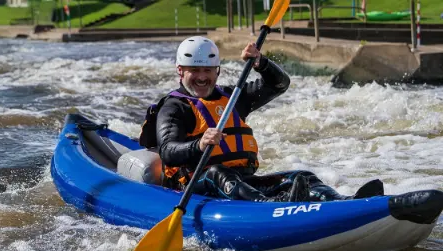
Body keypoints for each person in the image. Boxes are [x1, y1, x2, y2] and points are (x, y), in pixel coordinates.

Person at [138, 36, 384, 202]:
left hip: (242, 181)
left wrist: (261, 63)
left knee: (302, 176)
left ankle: (343, 203)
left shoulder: (233, 97)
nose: (202, 78)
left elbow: (279, 84)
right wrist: (199, 144)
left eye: (207, 71)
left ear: (217, 71)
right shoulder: (174, 107)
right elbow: (168, 151)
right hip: (197, 185)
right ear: (180, 71)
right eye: (195, 71)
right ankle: (270, 206)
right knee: (216, 173)